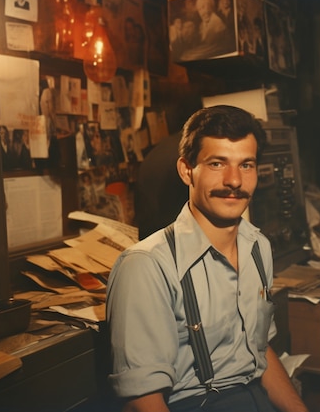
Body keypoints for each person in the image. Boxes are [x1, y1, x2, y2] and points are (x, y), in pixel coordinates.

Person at [107, 105, 308, 412]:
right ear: (187, 170)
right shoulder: (147, 266)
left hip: (255, 398)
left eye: (246, 165)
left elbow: (260, 350)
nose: (234, 181)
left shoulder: (258, 247)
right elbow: (142, 402)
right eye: (217, 163)